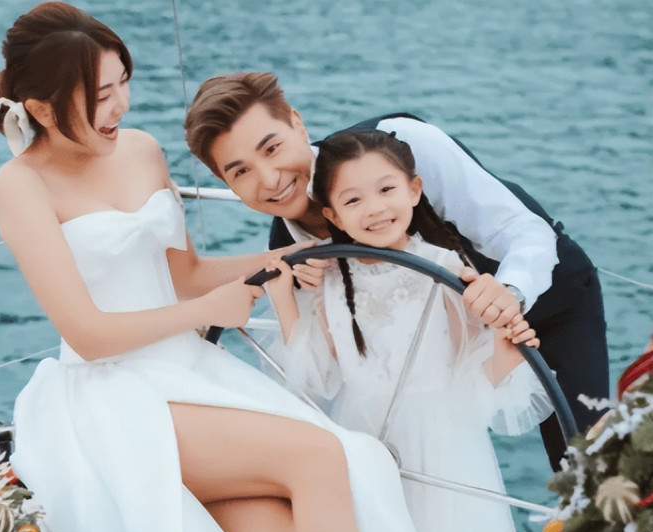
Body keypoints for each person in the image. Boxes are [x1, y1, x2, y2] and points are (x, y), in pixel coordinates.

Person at [0, 5, 453, 532]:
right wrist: (208, 310)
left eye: (122, 85)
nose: (119, 107)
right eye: (98, 96)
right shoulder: (19, 185)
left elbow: (187, 272)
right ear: (44, 105)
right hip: (109, 399)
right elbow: (88, 329)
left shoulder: (142, 150)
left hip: (185, 376)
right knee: (320, 454)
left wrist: (295, 257)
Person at [184, 71, 610, 469]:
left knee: (588, 469)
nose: (269, 178)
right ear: (224, 182)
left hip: (551, 302)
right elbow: (335, 368)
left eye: (272, 148)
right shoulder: (288, 259)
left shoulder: (402, 145)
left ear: (297, 123)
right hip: (458, 375)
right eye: (241, 171)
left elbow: (522, 230)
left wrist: (510, 292)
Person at [263, 128, 551, 532]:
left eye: (386, 190)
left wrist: (507, 349)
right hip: (363, 443)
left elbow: (474, 381)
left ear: (414, 190)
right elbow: (315, 379)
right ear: (331, 215)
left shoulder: (448, 269)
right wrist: (283, 300)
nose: (375, 209)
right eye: (353, 200)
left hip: (446, 446)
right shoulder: (331, 278)